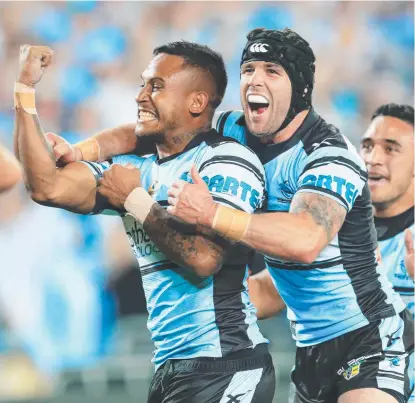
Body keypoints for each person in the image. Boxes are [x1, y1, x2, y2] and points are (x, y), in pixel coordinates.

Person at [44, 29, 414, 403]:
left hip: (368, 334)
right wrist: (81, 149)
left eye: (272, 71)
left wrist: (212, 213)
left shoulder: (328, 154)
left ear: (300, 88)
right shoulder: (234, 128)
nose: (255, 79)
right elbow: (150, 131)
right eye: (249, 69)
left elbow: (306, 240)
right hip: (309, 346)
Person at [14, 42, 275, 403]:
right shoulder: (138, 167)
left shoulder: (226, 161)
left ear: (196, 102)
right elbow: (46, 187)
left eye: (156, 86)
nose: (141, 96)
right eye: (142, 84)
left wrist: (134, 201)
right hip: (173, 366)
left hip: (225, 363)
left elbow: (205, 260)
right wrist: (24, 92)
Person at [360, 103, 414, 402]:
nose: (373, 159)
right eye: (367, 146)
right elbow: (271, 292)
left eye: (390, 149)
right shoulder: (337, 232)